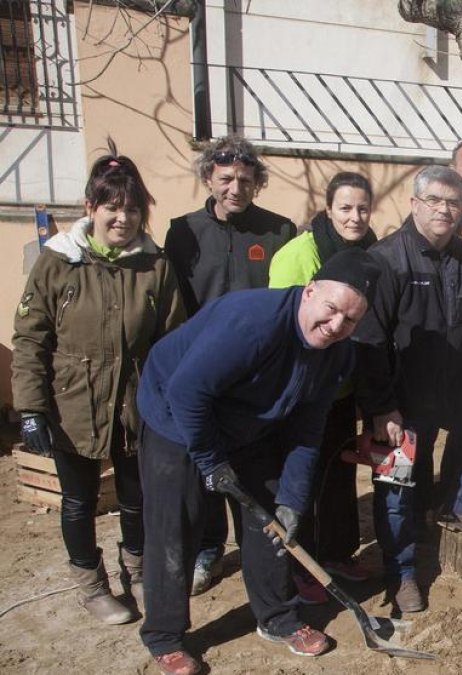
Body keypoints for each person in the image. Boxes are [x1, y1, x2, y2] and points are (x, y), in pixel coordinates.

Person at [136, 249, 379, 675]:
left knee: (272, 522)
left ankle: (278, 617)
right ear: (309, 292)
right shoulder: (252, 323)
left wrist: (293, 499)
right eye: (332, 309)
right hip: (175, 416)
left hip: (250, 424)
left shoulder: (338, 354)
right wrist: (211, 462)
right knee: (176, 525)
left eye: (351, 320)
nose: (337, 325)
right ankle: (165, 635)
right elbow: (187, 393)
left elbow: (307, 430)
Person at [12, 151, 185, 625]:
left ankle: (138, 571)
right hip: (72, 403)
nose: (123, 218)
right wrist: (30, 408)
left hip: (134, 404)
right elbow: (30, 338)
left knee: (136, 498)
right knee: (78, 501)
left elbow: (173, 340)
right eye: (113, 207)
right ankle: (90, 584)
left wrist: (171, 404)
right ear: (91, 206)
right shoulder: (58, 263)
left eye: (133, 209)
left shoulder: (155, 267)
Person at [353, 166, 462, 615]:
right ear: (414, 204)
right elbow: (369, 342)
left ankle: (456, 503)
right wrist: (381, 406)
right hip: (403, 400)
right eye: (435, 201)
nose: (445, 210)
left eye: (453, 202)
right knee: (397, 490)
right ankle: (404, 572)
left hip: (455, 391)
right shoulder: (387, 259)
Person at [164, 135, 297, 595]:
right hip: (201, 366)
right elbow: (175, 302)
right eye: (225, 179)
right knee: (206, 460)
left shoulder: (278, 230)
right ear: (208, 178)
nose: (235, 188)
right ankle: (209, 547)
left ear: (257, 182)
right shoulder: (182, 231)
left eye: (245, 179)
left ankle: (258, 550)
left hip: (256, 371)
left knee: (256, 466)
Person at [268, 172, 379, 604]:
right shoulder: (299, 254)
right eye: (346, 208)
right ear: (328, 208)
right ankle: (301, 563)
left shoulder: (372, 253)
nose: (354, 217)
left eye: (362, 208)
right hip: (305, 386)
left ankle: (336, 552)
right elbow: (286, 325)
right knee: (305, 476)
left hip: (344, 385)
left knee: (340, 470)